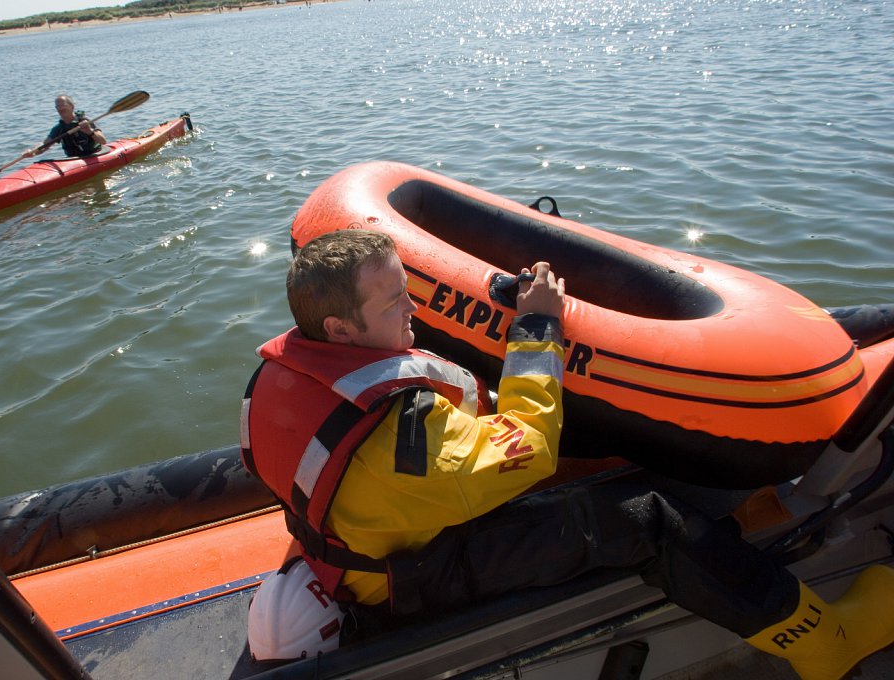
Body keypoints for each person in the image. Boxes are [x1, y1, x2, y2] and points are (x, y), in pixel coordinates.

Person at [239, 229, 894, 679]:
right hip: (409, 577)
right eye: (394, 303)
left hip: (360, 537)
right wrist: (537, 327)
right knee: (644, 520)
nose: (412, 309)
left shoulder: (281, 374)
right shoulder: (404, 439)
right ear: (340, 328)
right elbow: (529, 448)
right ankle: (824, 641)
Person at [25, 94, 107, 158]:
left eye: (63, 105)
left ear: (72, 106)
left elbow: (103, 141)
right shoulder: (58, 128)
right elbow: (44, 145)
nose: (60, 109)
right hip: (73, 159)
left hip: (94, 154)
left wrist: (89, 131)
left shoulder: (85, 121)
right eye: (58, 106)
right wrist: (33, 152)